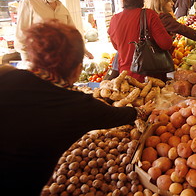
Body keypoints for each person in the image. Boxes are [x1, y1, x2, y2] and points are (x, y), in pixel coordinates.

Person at [0, 20, 155, 195]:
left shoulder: (7, 75)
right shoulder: (77, 106)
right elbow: (117, 115)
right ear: (77, 69)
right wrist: (141, 111)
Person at [15, 0, 93, 63]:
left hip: (60, 60)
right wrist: (27, 60)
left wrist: (82, 50)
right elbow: (21, 35)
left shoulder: (62, 8)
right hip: (39, 60)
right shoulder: (29, 3)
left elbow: (72, 33)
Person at [108, 0, 173, 83]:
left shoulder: (114, 19)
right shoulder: (149, 15)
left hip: (126, 78)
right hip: (151, 79)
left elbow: (117, 47)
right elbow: (166, 44)